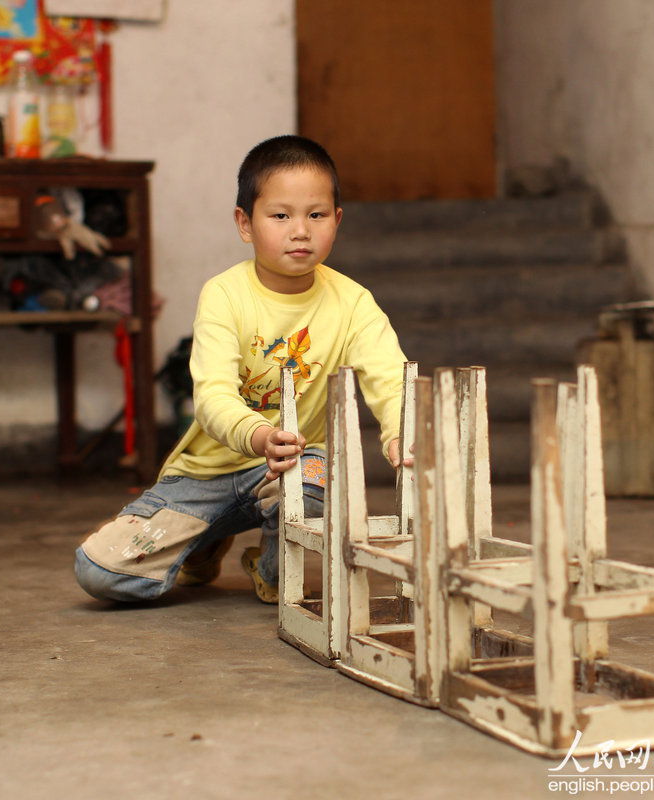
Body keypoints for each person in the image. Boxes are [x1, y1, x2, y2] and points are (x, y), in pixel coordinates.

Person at [74, 135, 409, 604]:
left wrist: (399, 433)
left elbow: (390, 376)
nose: (300, 231)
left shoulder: (353, 302)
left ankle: (272, 570)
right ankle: (203, 539)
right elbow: (212, 398)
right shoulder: (224, 294)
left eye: (316, 215)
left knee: (319, 478)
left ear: (337, 221)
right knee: (98, 572)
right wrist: (258, 436)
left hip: (289, 468)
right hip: (206, 474)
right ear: (245, 223)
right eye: (280, 215)